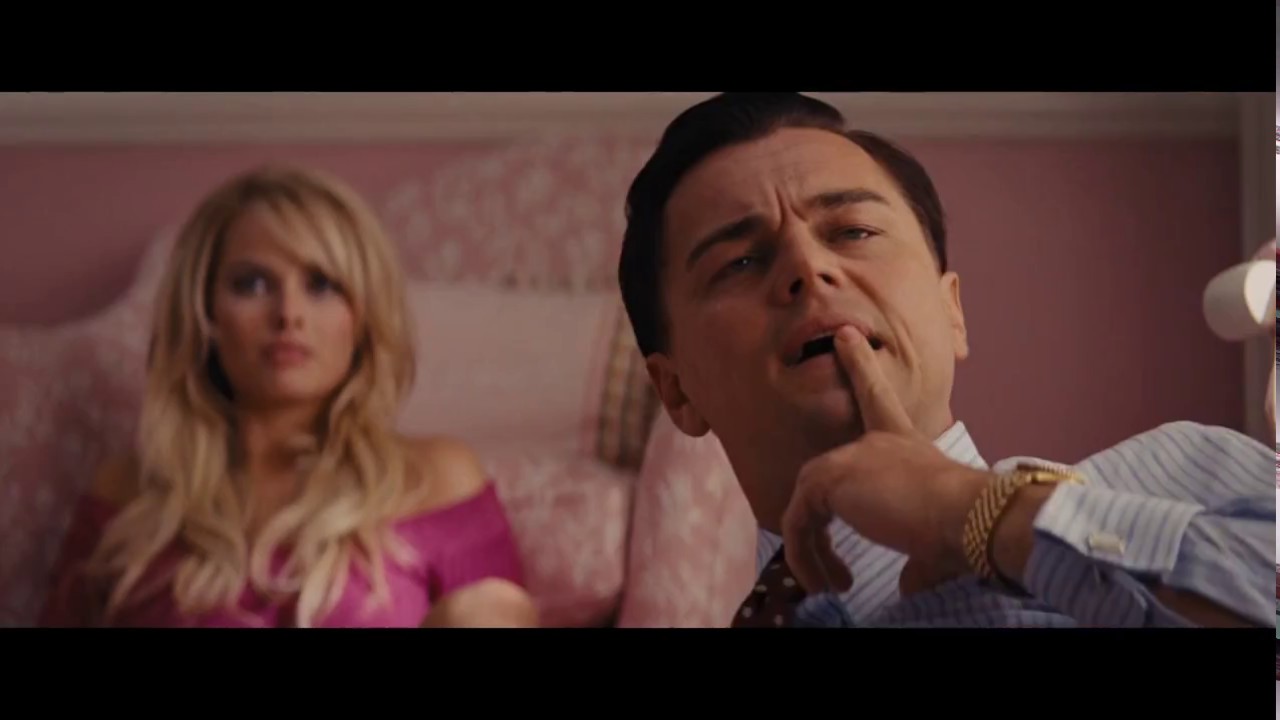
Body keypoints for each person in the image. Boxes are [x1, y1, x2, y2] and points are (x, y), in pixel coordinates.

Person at [617, 92, 1273, 628]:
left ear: (952, 310)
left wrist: (972, 512)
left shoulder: (1195, 479)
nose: (808, 267)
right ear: (676, 392)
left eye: (853, 231)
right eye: (739, 262)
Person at [39, 165, 538, 628]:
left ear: (362, 318)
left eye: (321, 285)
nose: (288, 314)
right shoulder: (127, 495)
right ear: (204, 314)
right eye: (252, 284)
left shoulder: (436, 479)